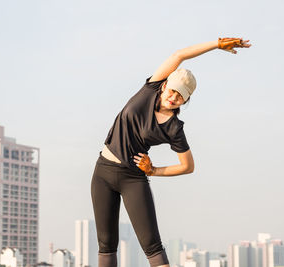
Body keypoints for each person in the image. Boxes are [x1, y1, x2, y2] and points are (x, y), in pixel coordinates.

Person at [91, 37, 251, 267]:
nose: (174, 97)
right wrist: (216, 45)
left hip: (133, 179)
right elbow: (179, 55)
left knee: (153, 247)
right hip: (102, 172)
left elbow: (188, 166)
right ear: (165, 84)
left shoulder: (174, 128)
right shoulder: (150, 89)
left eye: (181, 96)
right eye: (174, 90)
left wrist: (154, 170)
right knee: (106, 246)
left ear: (186, 99)